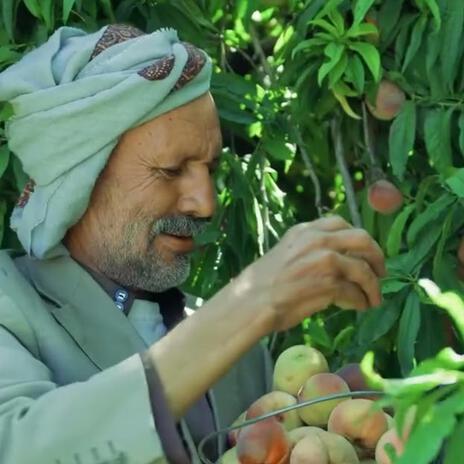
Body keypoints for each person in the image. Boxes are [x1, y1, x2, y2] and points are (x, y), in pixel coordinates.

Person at [0, 24, 385, 464]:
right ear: (80, 181)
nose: (205, 204)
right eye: (170, 170)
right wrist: (248, 302)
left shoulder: (240, 353)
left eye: (211, 168)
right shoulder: (11, 302)